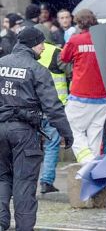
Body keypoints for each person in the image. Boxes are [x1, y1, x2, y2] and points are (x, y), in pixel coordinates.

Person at [0, 28, 73, 231]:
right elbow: (53, 106)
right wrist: (66, 133)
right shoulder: (37, 70)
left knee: (2, 179)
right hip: (24, 132)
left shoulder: (1, 63)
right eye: (41, 44)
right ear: (33, 44)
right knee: (24, 182)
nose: (43, 48)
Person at [60, 9, 106, 164]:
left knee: (71, 128)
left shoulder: (75, 40)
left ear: (78, 23)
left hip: (80, 93)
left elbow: (64, 58)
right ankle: (93, 168)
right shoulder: (104, 39)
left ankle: (87, 161)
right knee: (95, 134)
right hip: (101, 95)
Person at [37, 35, 69, 194]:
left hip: (32, 107)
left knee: (28, 147)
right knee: (51, 144)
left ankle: (23, 183)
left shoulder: (27, 54)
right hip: (53, 106)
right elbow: (70, 73)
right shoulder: (58, 52)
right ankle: (46, 181)